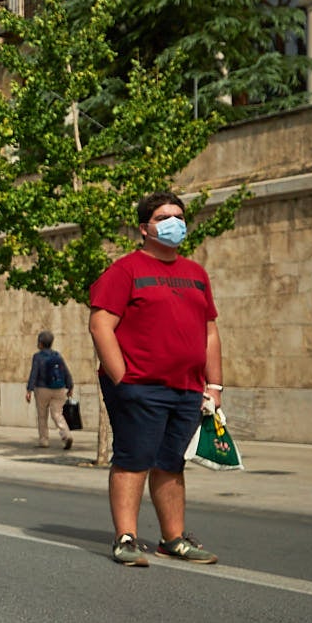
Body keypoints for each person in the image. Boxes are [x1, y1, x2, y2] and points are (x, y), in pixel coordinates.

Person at [88, 191, 223, 567]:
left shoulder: (196, 274)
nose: (174, 223)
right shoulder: (126, 270)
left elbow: (209, 331)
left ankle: (173, 539)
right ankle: (126, 538)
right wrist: (123, 379)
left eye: (179, 215)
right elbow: (101, 325)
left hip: (187, 389)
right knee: (134, 460)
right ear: (144, 227)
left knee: (171, 463)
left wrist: (215, 386)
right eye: (164, 217)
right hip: (140, 387)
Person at [27, 330, 75, 452]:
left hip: (42, 389)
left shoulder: (37, 357)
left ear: (41, 343)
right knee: (57, 414)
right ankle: (66, 435)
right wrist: (70, 387)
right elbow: (66, 372)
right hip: (59, 389)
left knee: (42, 415)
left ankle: (44, 440)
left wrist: (29, 390)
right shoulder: (57, 356)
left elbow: (34, 373)